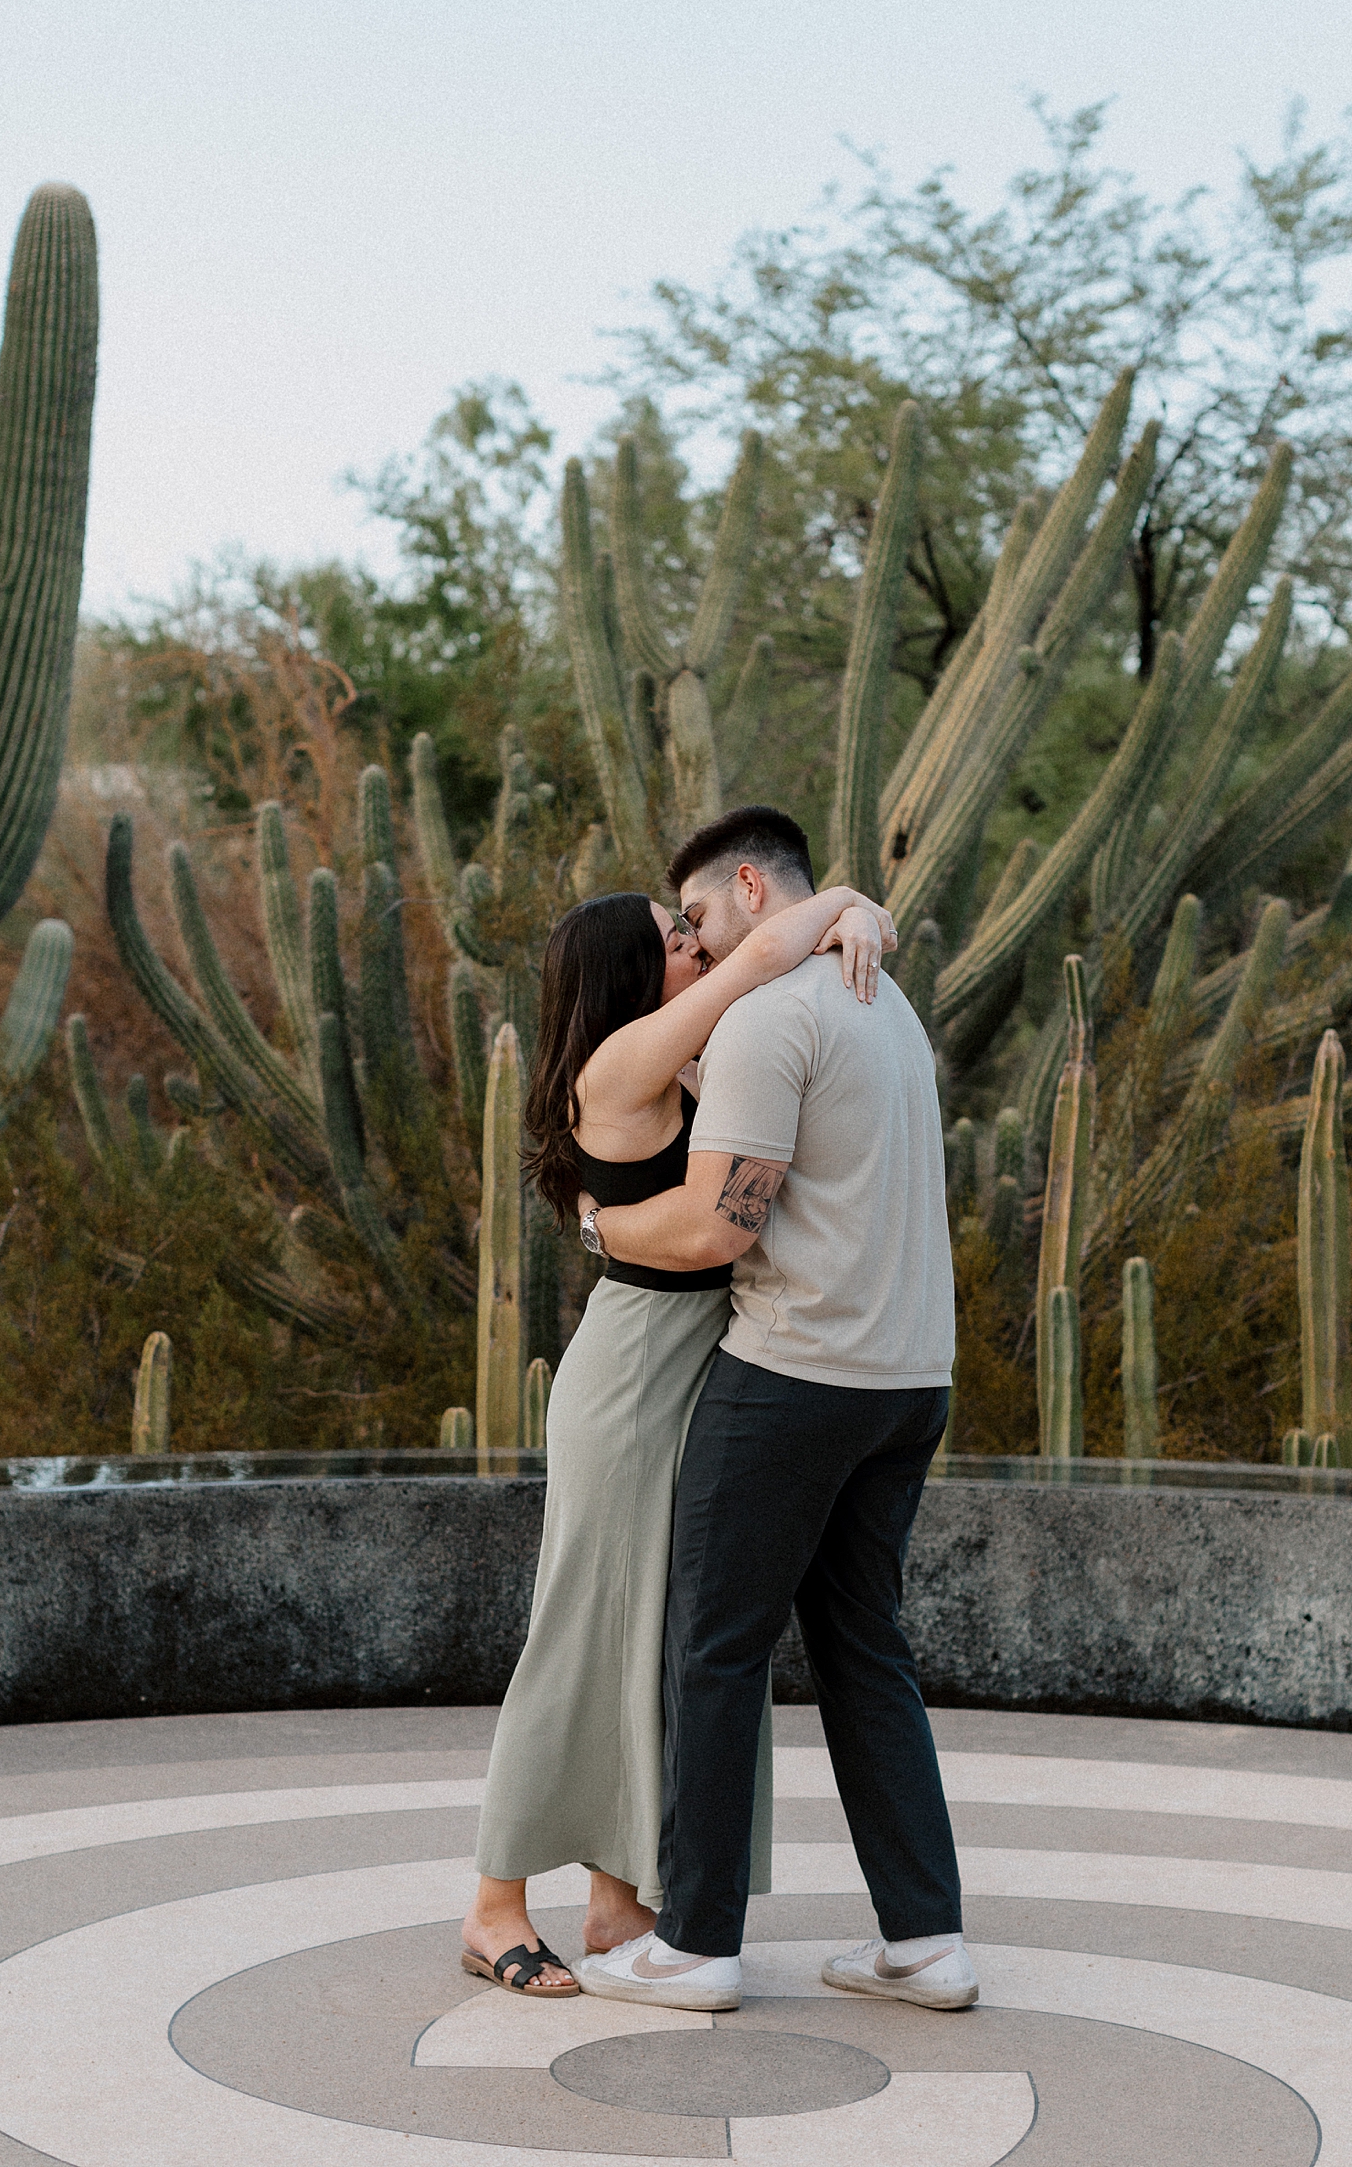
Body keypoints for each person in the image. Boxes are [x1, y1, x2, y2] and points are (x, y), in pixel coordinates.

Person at [460, 875, 896, 1998]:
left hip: (699, 1371)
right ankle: (492, 1903)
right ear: (625, 971)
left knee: (660, 1642)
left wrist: (852, 917)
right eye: (671, 940)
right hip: (632, 1374)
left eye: (688, 929)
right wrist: (842, 899)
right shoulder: (623, 1062)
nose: (695, 947)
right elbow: (758, 959)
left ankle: (621, 1896)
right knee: (577, 1633)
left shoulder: (678, 1055)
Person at [575, 804, 972, 2016]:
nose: (689, 942)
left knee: (714, 1645)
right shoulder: (881, 1000)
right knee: (865, 1655)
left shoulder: (767, 1016)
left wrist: (596, 1227)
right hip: (912, 1382)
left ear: (750, 887)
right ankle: (925, 1939)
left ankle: (695, 1944)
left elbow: (713, 1226)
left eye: (693, 914)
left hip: (795, 1376)